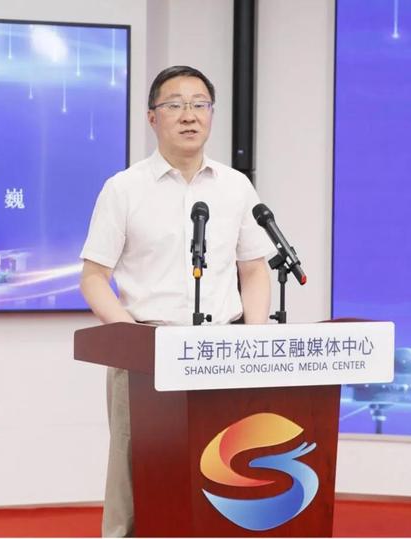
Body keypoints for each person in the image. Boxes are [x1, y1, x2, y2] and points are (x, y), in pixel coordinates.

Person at [79, 65, 272, 537]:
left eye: (199, 104)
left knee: (225, 464)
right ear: (152, 117)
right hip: (146, 353)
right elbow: (94, 278)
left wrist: (255, 339)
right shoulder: (124, 188)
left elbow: (254, 268)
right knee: (135, 468)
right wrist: (133, 340)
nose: (189, 115)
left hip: (223, 350)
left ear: (211, 114)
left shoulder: (235, 187)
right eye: (175, 105)